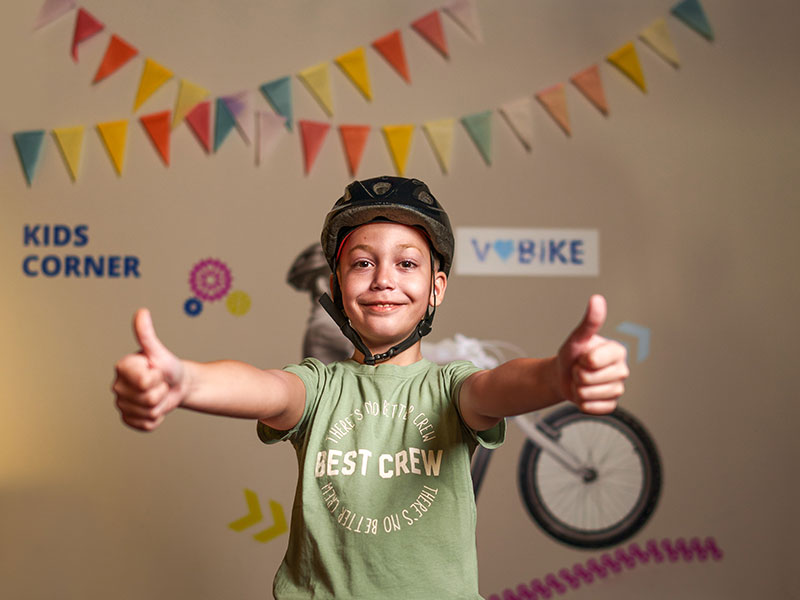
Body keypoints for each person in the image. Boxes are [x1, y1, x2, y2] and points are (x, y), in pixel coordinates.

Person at [113, 176, 629, 599]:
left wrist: (559, 376)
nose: (384, 278)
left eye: (407, 263)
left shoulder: (451, 388)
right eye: (362, 263)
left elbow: (504, 386)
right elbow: (263, 388)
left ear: (436, 288)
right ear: (335, 287)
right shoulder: (318, 387)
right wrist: (187, 379)